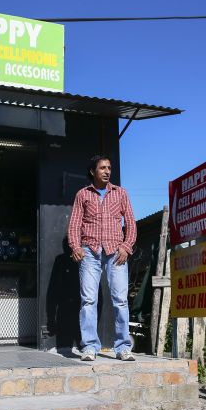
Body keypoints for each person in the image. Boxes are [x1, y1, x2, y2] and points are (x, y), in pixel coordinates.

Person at [67, 154, 137, 362]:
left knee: (121, 300)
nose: (107, 171)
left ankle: (123, 347)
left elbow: (131, 223)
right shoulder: (83, 194)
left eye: (109, 168)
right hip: (90, 252)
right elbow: (74, 223)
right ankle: (89, 347)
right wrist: (75, 246)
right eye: (102, 168)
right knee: (88, 300)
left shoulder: (121, 193)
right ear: (92, 171)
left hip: (116, 252)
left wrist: (126, 247)